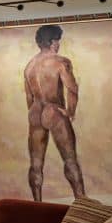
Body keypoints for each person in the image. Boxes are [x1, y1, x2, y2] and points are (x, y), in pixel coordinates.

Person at [24, 24, 86, 201]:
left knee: (35, 164)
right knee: (70, 160)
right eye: (57, 40)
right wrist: (71, 111)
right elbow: (72, 89)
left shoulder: (29, 66)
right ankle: (82, 202)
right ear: (52, 42)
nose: (58, 43)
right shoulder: (61, 62)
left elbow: (29, 98)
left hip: (35, 113)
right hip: (54, 110)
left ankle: (36, 205)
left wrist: (35, 113)